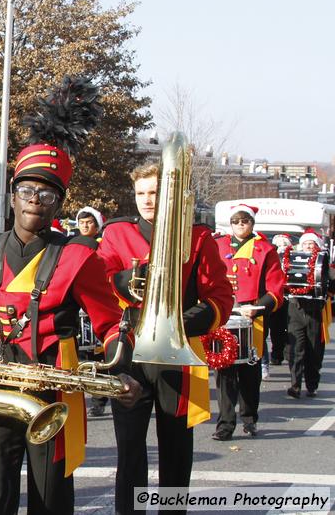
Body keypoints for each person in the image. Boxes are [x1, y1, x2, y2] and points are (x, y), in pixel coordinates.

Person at [0, 76, 140, 515]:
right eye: (27, 190)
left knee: (51, 500)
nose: (34, 201)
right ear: (13, 192)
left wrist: (118, 361)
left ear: (59, 202)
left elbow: (106, 323)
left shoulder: (79, 257)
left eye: (47, 193)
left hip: (53, 387)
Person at [98, 162, 233, 515]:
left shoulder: (197, 237)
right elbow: (102, 278)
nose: (146, 200)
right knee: (129, 449)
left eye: (154, 192)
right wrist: (128, 280)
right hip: (130, 347)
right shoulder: (117, 234)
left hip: (177, 347)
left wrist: (184, 323)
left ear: (169, 195)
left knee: (176, 449)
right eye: (141, 193)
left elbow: (220, 296)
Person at [211, 204, 285, 440]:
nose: (240, 225)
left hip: (252, 317)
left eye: (245, 221)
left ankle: (249, 417)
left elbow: (275, 288)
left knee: (250, 372)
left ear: (252, 223)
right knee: (224, 371)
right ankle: (224, 424)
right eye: (236, 221)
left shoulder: (265, 249)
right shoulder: (218, 245)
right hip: (224, 315)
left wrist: (256, 308)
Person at [285, 230, 331, 398]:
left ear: (317, 246)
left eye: (312, 243)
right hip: (295, 309)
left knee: (314, 351)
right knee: (296, 349)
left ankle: (312, 385)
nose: (308, 246)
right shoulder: (291, 261)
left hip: (316, 311)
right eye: (305, 243)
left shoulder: (324, 263)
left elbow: (331, 284)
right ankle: (295, 385)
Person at [74, 206, 108, 416]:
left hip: (97, 305)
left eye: (89, 222)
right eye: (82, 222)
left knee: (99, 355)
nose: (85, 226)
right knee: (81, 354)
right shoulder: (72, 245)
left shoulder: (103, 246)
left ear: (96, 225)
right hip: (77, 307)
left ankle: (99, 397)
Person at [266, 233, 294, 368]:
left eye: (285, 244)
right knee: (276, 328)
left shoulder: (294, 258)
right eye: (279, 244)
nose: (282, 247)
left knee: (290, 328)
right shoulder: (271, 258)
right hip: (275, 297)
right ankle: (277, 354)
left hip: (291, 298)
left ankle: (289, 352)